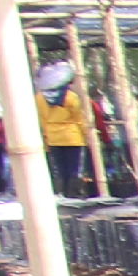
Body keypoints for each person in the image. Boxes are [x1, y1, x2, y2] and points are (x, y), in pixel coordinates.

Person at [33, 60, 95, 196]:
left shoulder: (39, 98)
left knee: (59, 169)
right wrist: (86, 135)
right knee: (74, 168)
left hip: (53, 136)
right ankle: (73, 194)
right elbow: (79, 118)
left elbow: (42, 119)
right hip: (73, 136)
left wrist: (45, 137)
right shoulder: (71, 97)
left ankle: (61, 192)